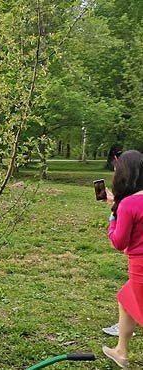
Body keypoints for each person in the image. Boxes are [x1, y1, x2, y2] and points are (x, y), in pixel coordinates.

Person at [102, 150, 143, 369]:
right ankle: (121, 351)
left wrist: (112, 216)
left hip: (141, 269)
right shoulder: (127, 203)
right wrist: (117, 203)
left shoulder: (128, 205)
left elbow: (118, 242)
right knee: (125, 299)